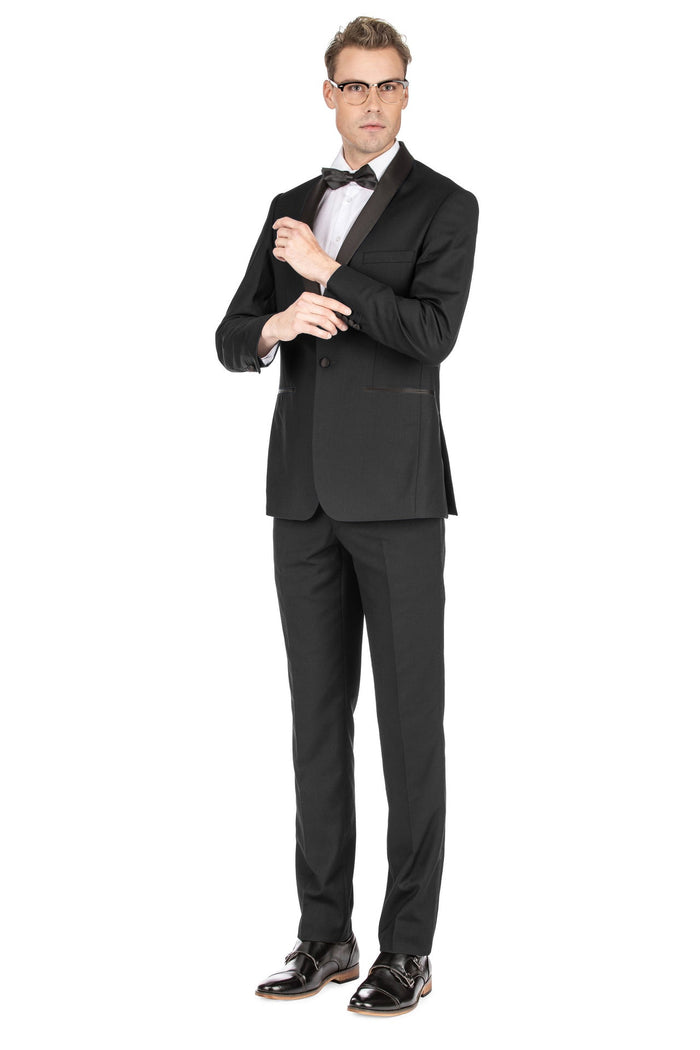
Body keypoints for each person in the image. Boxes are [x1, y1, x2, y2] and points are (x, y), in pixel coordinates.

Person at [215, 16, 478, 1017]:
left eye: (389, 85)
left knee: (410, 732)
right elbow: (230, 334)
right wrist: (276, 323)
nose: (373, 103)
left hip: (398, 500)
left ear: (407, 94)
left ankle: (407, 949)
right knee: (316, 725)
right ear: (328, 94)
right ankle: (324, 934)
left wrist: (332, 277)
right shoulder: (289, 205)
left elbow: (430, 332)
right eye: (356, 85)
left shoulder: (446, 204)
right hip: (302, 498)